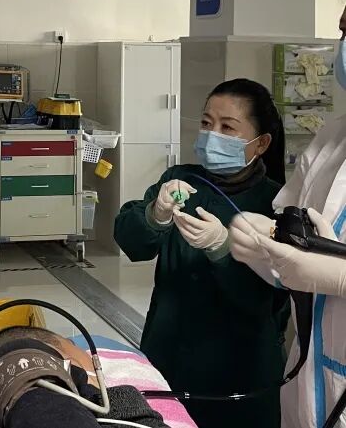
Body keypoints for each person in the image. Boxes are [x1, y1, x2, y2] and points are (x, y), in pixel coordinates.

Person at [114, 78, 291, 428]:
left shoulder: (277, 203)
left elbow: (266, 299)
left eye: (228, 128)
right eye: (207, 124)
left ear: (261, 143)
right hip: (169, 355)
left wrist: (223, 247)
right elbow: (131, 242)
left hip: (241, 372)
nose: (213, 136)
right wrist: (154, 215)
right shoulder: (181, 179)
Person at [229, 8, 346, 428]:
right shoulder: (332, 138)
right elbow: (294, 253)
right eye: (345, 30)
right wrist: (263, 244)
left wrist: (340, 278)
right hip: (310, 375)